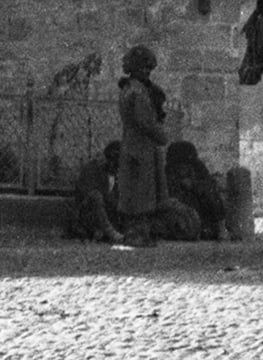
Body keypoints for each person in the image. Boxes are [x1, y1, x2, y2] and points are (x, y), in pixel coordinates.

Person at [116, 44, 169, 247]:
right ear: (135, 69)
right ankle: (137, 235)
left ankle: (139, 234)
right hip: (141, 148)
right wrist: (162, 135)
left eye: (149, 68)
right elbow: (145, 121)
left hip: (132, 145)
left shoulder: (128, 89)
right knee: (141, 193)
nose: (147, 72)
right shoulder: (138, 93)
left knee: (136, 192)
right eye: (144, 68)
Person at [166, 140, 230, 240]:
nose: (183, 168)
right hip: (180, 213)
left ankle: (221, 228)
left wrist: (193, 185)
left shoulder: (198, 169)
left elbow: (209, 188)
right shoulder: (169, 172)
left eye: (186, 165)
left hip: (201, 211)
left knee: (210, 193)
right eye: (180, 165)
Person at [66, 140, 123, 243]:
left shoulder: (116, 174)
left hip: (104, 215)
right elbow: (89, 194)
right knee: (96, 196)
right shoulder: (92, 168)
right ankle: (108, 232)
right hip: (86, 215)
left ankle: (110, 232)